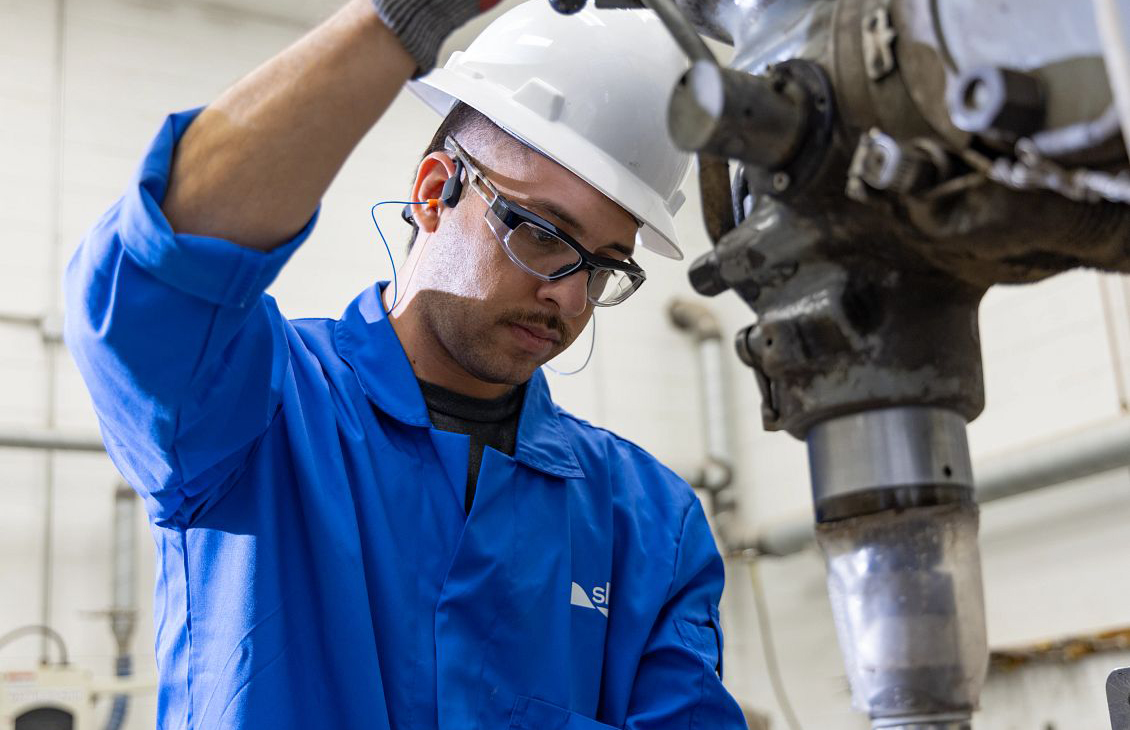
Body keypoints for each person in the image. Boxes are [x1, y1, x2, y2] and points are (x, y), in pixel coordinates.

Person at [64, 0, 747, 727]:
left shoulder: (648, 523)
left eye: (605, 268)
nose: (569, 297)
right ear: (432, 193)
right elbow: (150, 285)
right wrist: (399, 21)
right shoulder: (260, 412)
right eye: (544, 235)